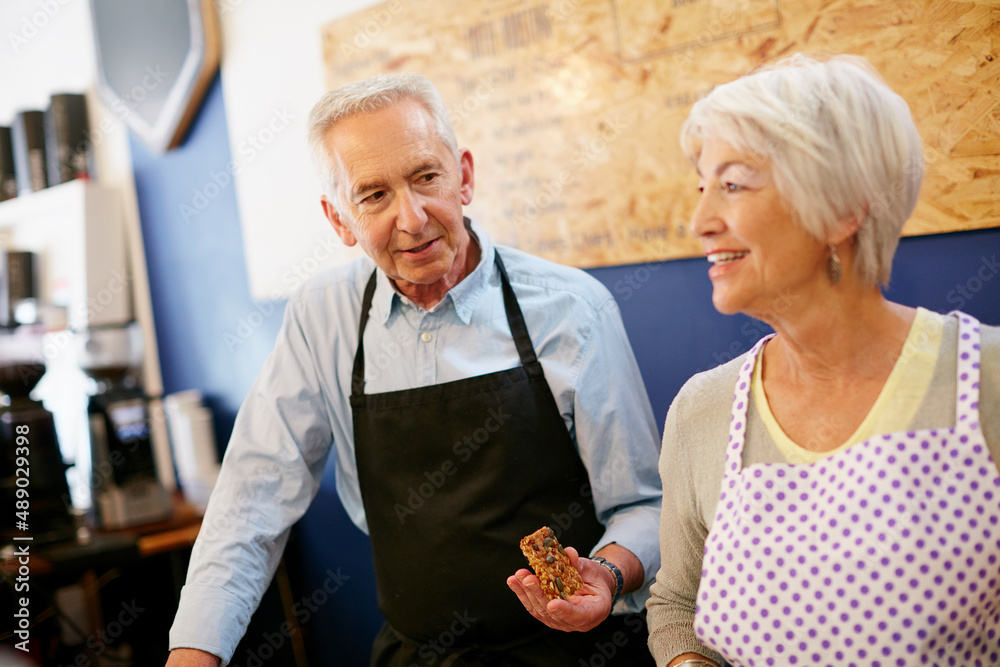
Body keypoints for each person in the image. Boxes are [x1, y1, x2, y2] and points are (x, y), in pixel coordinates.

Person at [166, 73, 662, 666]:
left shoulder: (572, 309)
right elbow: (251, 500)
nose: (413, 217)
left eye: (426, 176)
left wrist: (606, 574)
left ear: (465, 177)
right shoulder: (323, 316)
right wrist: (194, 653)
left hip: (579, 653)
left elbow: (644, 507)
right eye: (373, 195)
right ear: (339, 219)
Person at [646, 54, 1000, 667]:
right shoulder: (701, 410)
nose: (700, 221)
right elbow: (677, 605)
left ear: (842, 209)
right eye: (702, 188)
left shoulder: (985, 379)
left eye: (732, 185)